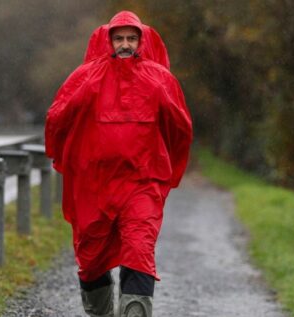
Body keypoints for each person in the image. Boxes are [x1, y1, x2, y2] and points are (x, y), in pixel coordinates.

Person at [45, 11, 192, 317]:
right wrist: (66, 159)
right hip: (93, 185)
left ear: (141, 40)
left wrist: (166, 170)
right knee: (91, 257)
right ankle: (101, 312)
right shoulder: (85, 77)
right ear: (109, 39)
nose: (125, 44)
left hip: (142, 182)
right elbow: (58, 118)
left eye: (131, 38)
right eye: (119, 38)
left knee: (139, 250)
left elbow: (180, 128)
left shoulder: (160, 80)